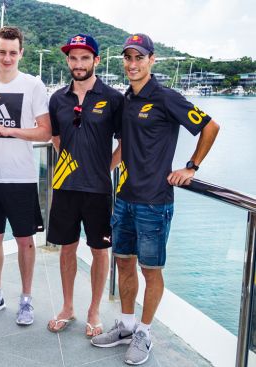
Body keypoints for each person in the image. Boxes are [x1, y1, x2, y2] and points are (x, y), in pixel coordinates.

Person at [91, 33, 220, 365]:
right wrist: (103, 170)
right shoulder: (127, 100)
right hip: (125, 199)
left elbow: (210, 127)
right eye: (128, 58)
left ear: (151, 60)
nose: (132, 64)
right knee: (124, 263)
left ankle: (144, 333)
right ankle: (126, 325)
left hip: (155, 202)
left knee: (151, 270)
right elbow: (124, 147)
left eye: (139, 58)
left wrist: (191, 167)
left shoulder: (166, 97)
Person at [0, 26, 51, 325]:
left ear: (21, 53)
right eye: (2, 52)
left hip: (22, 178)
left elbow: (45, 130)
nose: (7, 58)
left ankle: (26, 299)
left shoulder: (33, 85)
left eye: (13, 53)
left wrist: (10, 130)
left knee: (25, 241)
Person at [45, 34, 123, 336]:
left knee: (100, 250)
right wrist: (70, 166)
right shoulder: (57, 99)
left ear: (96, 61)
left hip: (99, 189)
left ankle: (94, 311)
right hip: (65, 187)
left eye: (85, 58)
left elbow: (124, 142)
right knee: (67, 248)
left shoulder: (114, 99)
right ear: (67, 61)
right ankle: (67, 307)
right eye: (73, 58)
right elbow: (56, 138)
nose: (78, 64)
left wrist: (105, 168)